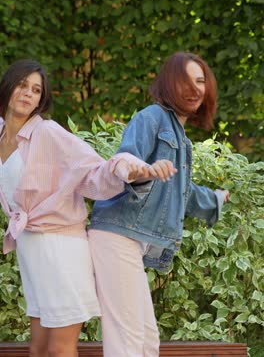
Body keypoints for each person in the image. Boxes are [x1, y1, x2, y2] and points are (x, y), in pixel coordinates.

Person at [0, 59, 176, 357]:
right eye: (21, 84)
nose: (27, 93)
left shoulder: (48, 134)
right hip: (31, 249)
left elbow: (94, 171)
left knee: (59, 349)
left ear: (41, 100)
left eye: (36, 89)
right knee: (39, 348)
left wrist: (137, 170)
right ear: (8, 87)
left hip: (61, 249)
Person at [89, 51, 230, 357]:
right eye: (185, 81)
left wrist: (215, 199)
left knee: (146, 342)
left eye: (200, 81)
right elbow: (125, 159)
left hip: (131, 240)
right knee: (126, 341)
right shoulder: (151, 117)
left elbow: (180, 190)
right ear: (169, 83)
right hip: (116, 234)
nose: (195, 89)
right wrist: (141, 170)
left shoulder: (180, 137)